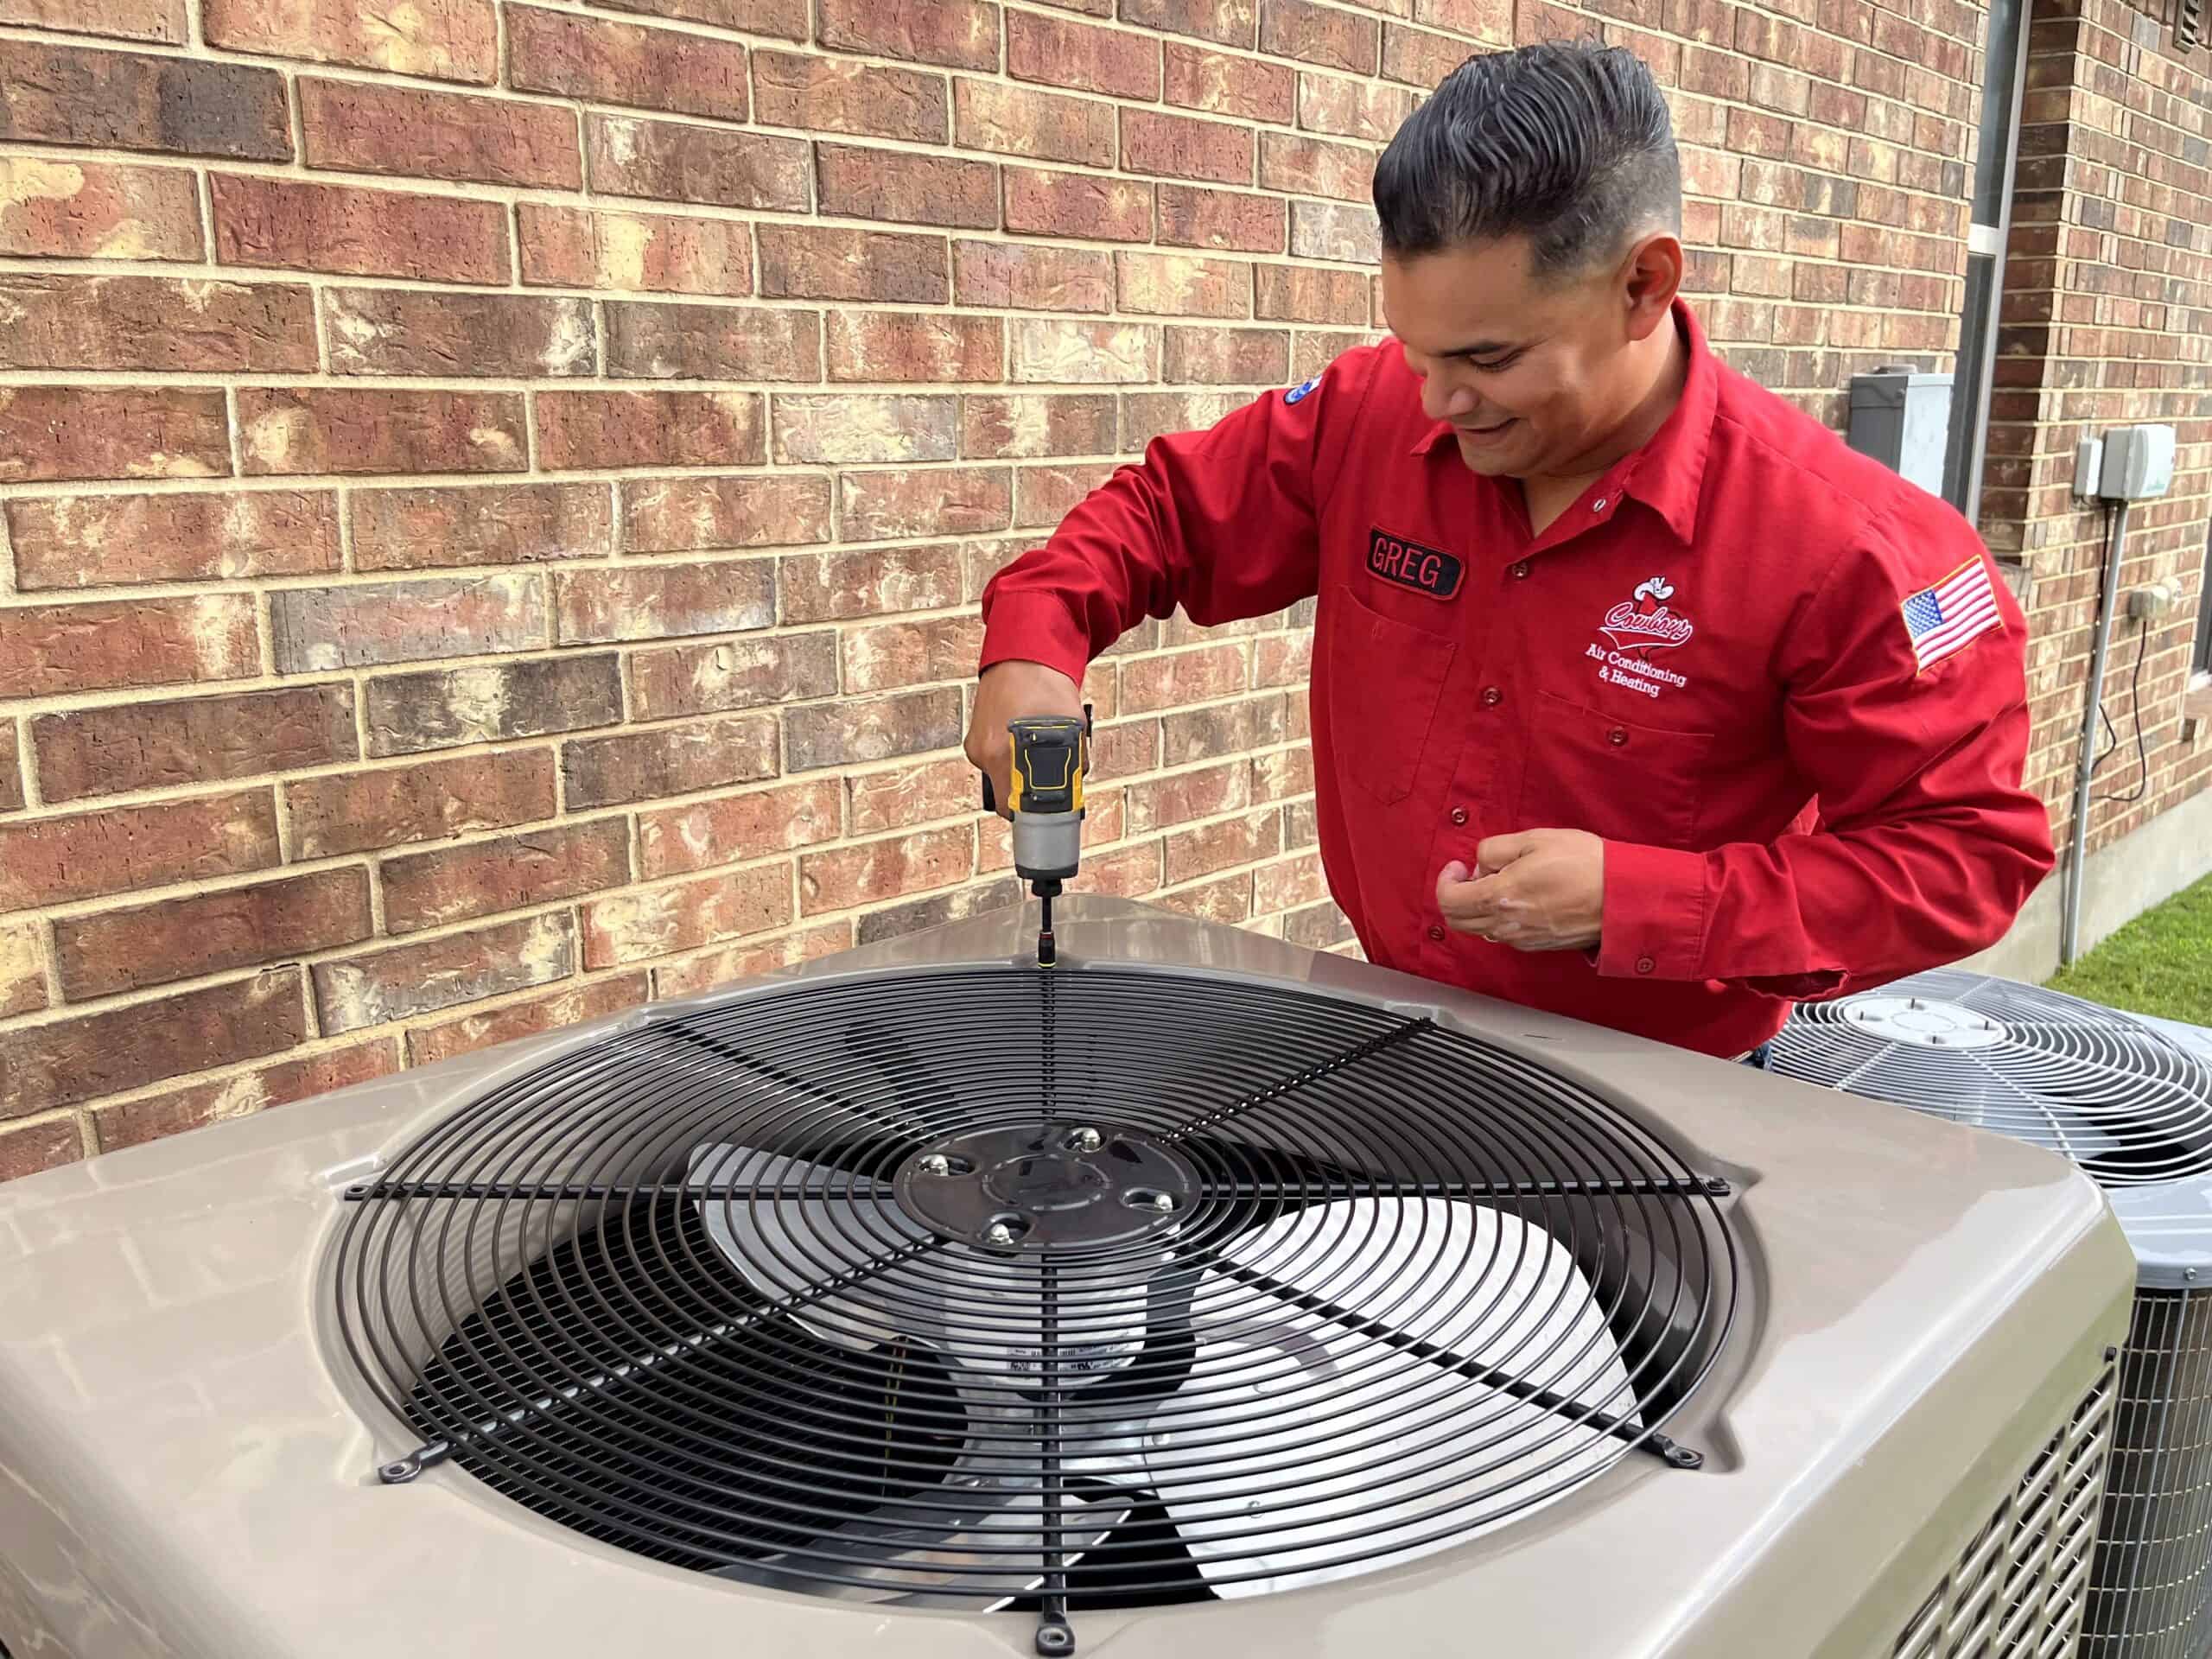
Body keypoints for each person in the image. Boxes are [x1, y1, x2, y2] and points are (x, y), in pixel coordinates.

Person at [965, 41, 2056, 1062]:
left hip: (1669, 1087)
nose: (1437, 402)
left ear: (1643, 285)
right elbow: (1161, 514)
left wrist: (1637, 902)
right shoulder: (1370, 416)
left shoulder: (1852, 552)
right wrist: (1036, 645)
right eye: (1414, 349)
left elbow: (1963, 860)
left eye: (1487, 357)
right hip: (1401, 1029)